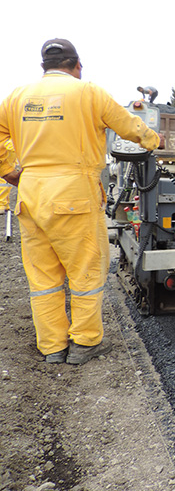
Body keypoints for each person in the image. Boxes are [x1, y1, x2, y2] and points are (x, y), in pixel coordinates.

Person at [0, 38, 163, 365]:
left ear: (44, 67)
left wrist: (9, 171)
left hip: (31, 195)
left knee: (43, 279)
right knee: (86, 272)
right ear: (77, 66)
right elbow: (128, 125)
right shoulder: (88, 92)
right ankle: (85, 344)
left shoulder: (16, 97)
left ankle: (52, 347)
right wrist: (152, 139)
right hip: (74, 194)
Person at [0, 139, 16, 214]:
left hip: (5, 147)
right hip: (10, 146)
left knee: (4, 175)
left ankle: (1, 204)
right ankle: (4, 204)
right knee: (7, 172)